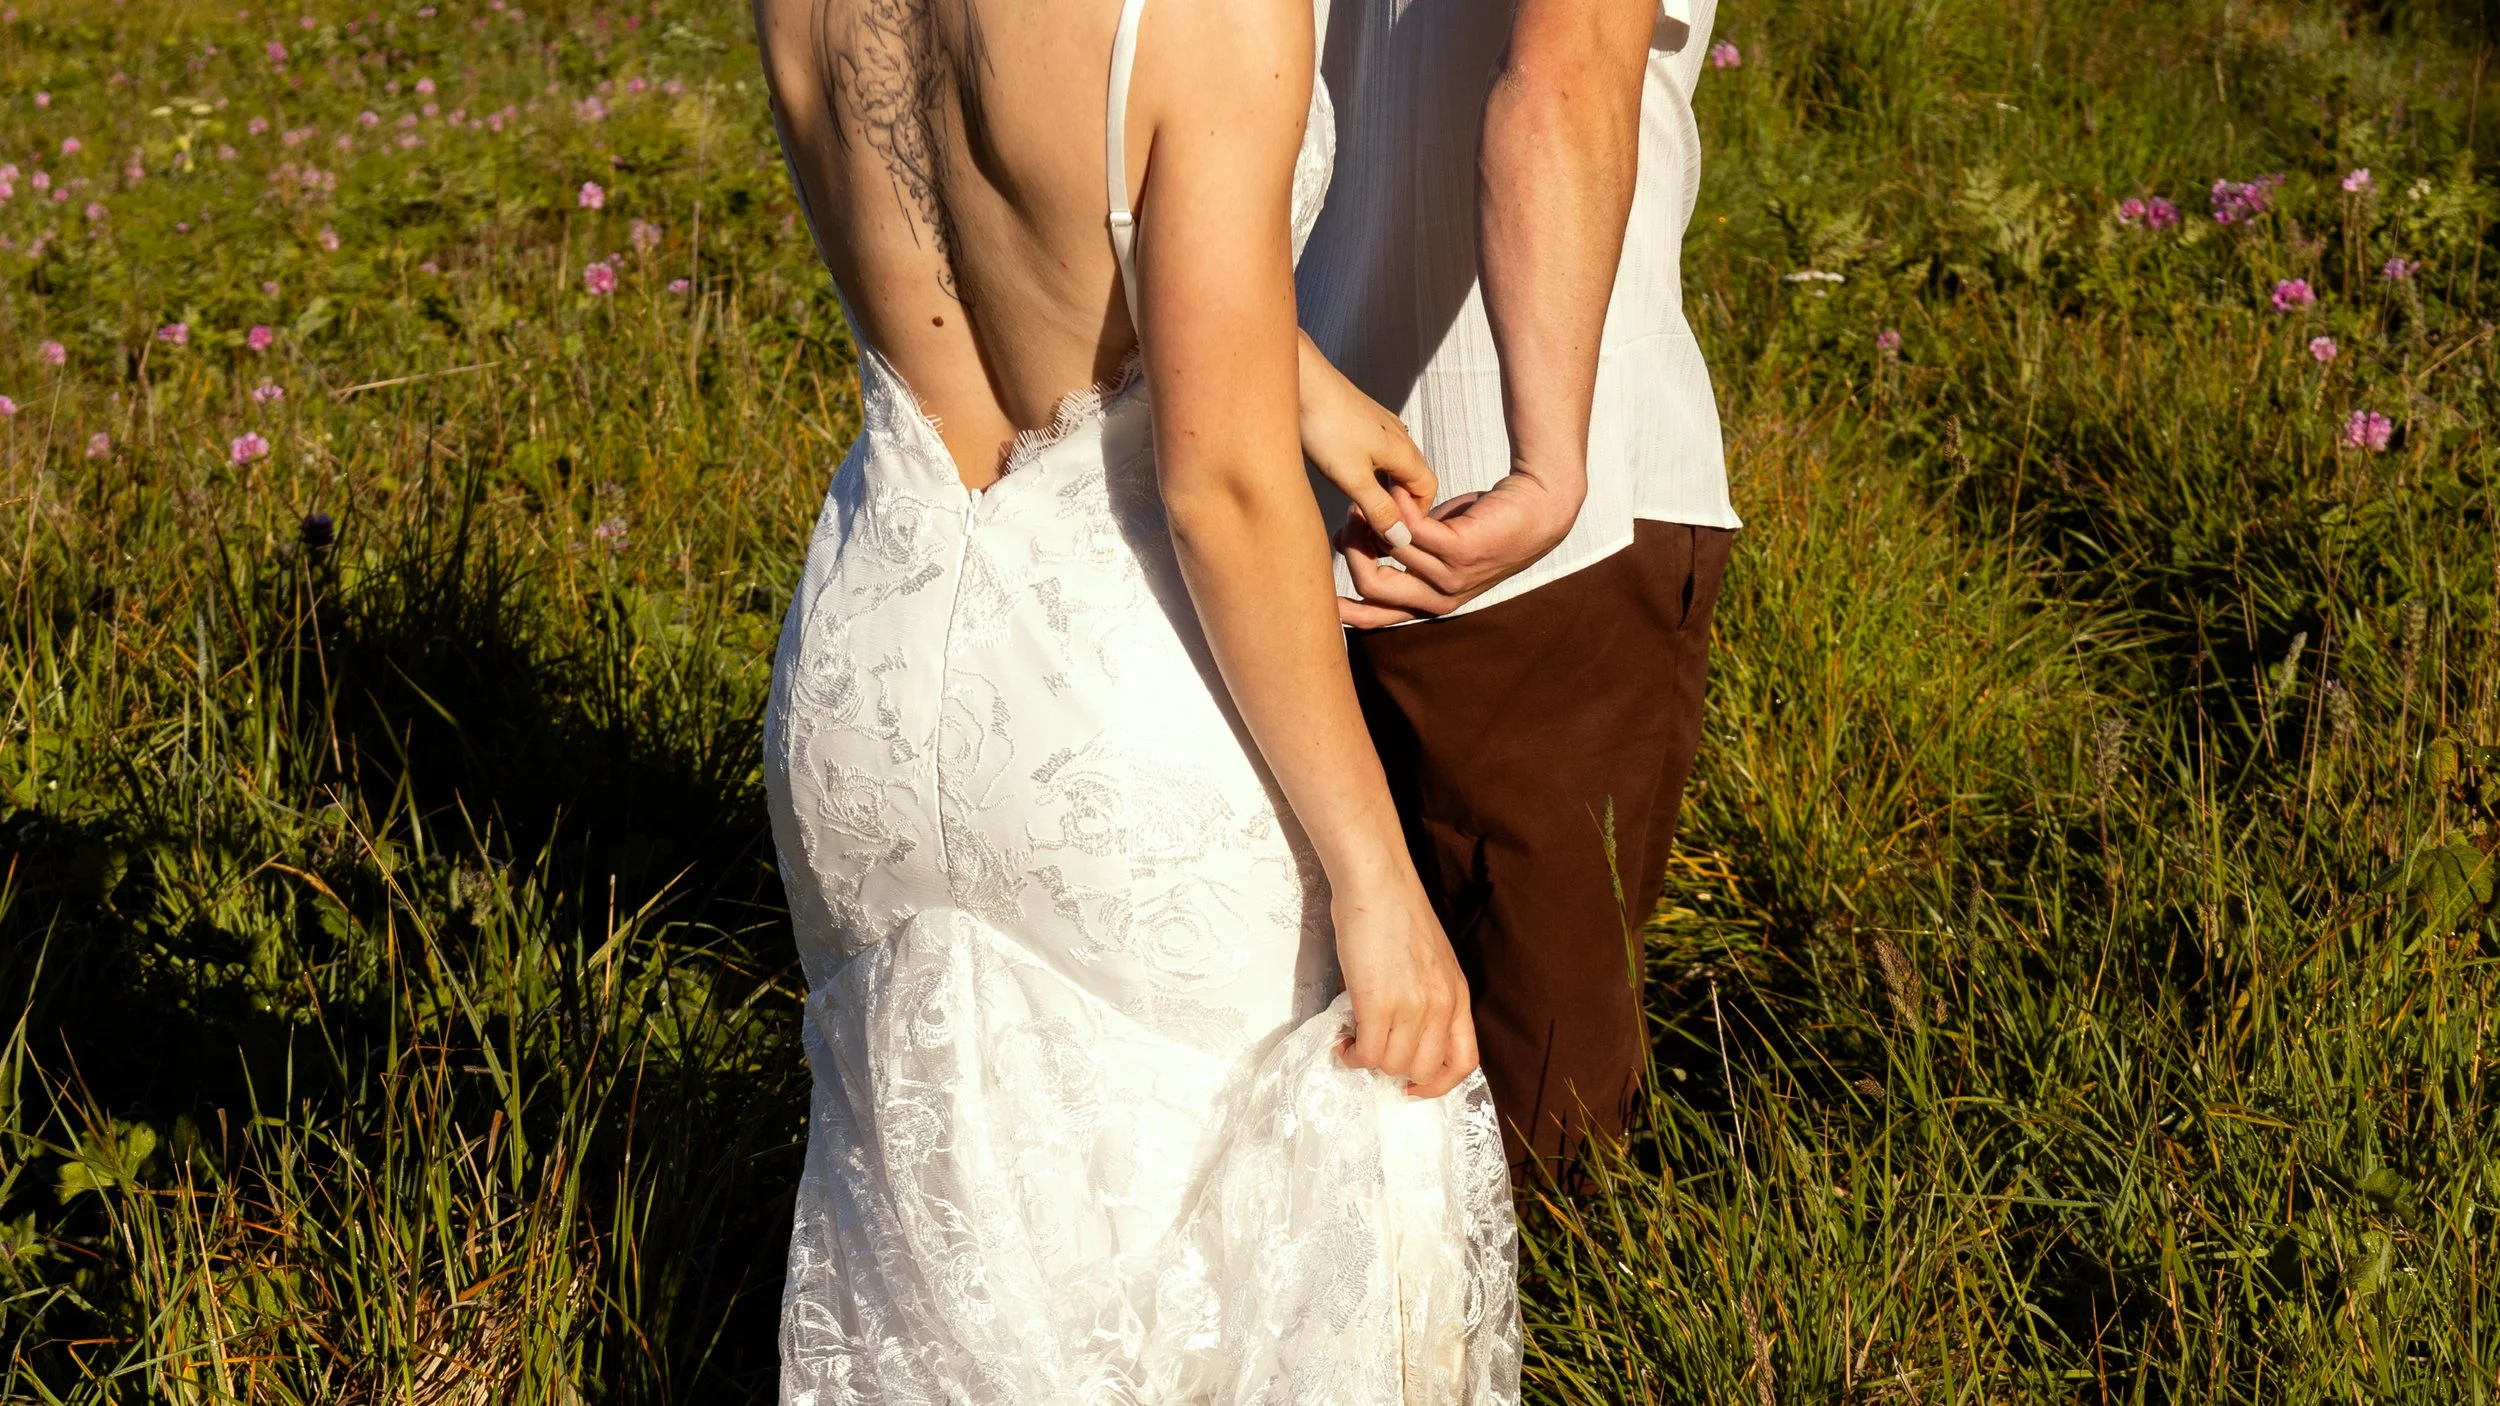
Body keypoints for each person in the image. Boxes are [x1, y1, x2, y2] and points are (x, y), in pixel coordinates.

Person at [749, 0, 1519, 1399]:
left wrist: (1295, 372)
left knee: (949, 1261)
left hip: (870, 662)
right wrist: (1378, 876)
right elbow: (1219, 491)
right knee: (1227, 1278)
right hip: (1117, 703)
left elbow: (987, 229)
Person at [1297, 0, 1741, 1172]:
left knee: (1319, 1061)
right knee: (1537, 1118)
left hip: (1266, 458)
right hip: (1513, 519)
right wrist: (1548, 467)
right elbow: (1560, 77)